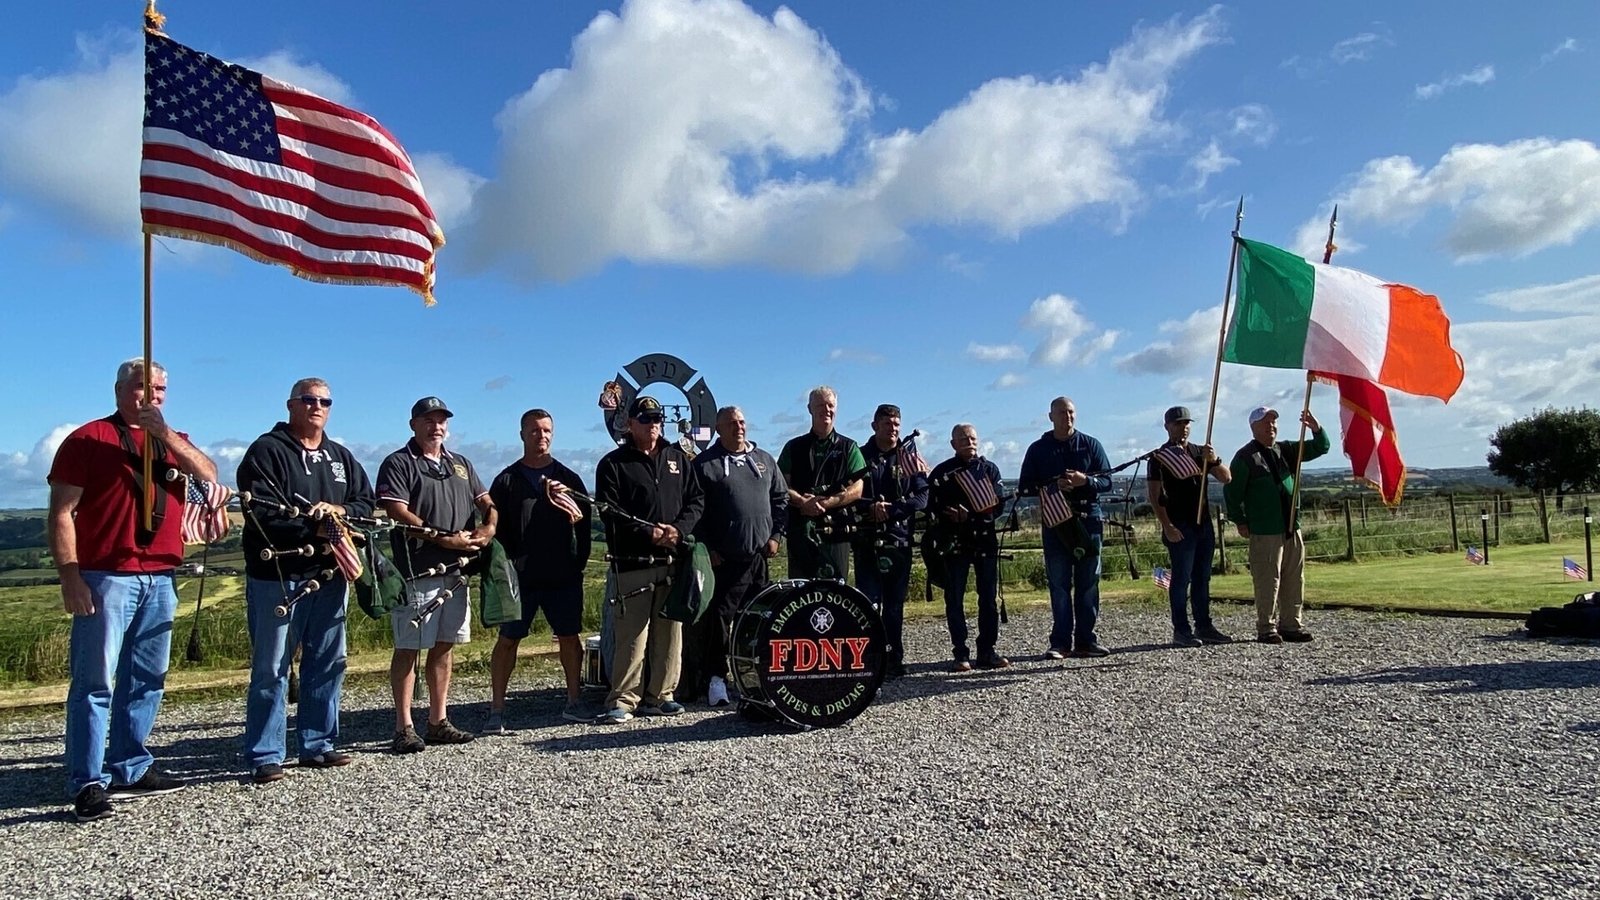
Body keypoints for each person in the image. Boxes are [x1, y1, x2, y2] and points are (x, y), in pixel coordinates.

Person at [48, 358, 217, 822]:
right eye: (143, 387)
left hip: (161, 573)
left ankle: (130, 763)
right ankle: (87, 780)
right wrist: (70, 575)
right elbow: (61, 512)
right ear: (120, 389)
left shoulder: (174, 441)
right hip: (106, 575)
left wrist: (163, 436)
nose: (152, 396)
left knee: (146, 679)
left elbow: (208, 475)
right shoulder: (87, 439)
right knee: (96, 682)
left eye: (160, 389)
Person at [237, 378, 375, 784]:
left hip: (330, 574)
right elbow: (260, 513)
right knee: (271, 668)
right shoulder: (267, 451)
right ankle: (266, 753)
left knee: (329, 662)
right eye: (309, 400)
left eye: (324, 401)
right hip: (278, 576)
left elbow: (365, 503)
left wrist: (337, 510)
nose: (317, 406)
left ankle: (318, 744)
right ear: (291, 405)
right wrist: (312, 526)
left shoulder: (340, 456)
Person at [375, 397, 496, 751]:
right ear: (413, 424)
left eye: (441, 420)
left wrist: (489, 525)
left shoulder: (459, 464)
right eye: (428, 420)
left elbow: (484, 500)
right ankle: (404, 726)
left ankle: (438, 720)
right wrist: (443, 536)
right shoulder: (398, 463)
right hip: (418, 571)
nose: (436, 426)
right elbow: (396, 510)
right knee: (409, 647)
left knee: (445, 647)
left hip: (458, 572)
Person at [593, 396, 704, 724]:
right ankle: (624, 700)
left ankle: (661, 695)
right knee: (632, 635)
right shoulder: (613, 464)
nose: (653, 424)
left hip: (672, 560)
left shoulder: (678, 459)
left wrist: (679, 532)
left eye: (657, 419)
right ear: (630, 424)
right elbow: (609, 512)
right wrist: (648, 532)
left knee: (670, 633)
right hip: (633, 562)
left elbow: (696, 500)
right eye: (646, 419)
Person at [484, 408, 592, 730]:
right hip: (521, 579)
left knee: (570, 638)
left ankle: (574, 701)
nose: (540, 436)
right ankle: (497, 710)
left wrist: (577, 567)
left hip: (562, 576)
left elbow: (583, 530)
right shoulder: (505, 481)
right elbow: (495, 533)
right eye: (534, 431)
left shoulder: (570, 480)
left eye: (546, 431)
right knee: (507, 641)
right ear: (522, 435)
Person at [688, 406, 786, 706]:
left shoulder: (764, 460)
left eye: (742, 422)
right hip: (724, 560)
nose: (739, 427)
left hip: (758, 559)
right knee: (719, 621)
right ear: (719, 429)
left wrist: (776, 536)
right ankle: (716, 679)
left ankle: (755, 677)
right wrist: (708, 548)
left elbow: (780, 499)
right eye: (731, 424)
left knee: (759, 619)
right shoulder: (706, 465)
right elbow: (695, 511)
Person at [1223, 406, 1330, 644]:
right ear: (1254, 427)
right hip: (1265, 529)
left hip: (1292, 526)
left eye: (1273, 421)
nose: (1271, 425)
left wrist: (1316, 428)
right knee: (1267, 580)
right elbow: (1231, 492)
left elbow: (1321, 447)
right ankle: (1266, 627)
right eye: (1265, 422)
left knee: (1294, 577)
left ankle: (1292, 624)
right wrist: (1240, 520)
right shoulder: (1245, 457)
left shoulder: (1286, 450)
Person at [1018, 397, 1113, 659]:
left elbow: (1107, 482)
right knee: (1059, 585)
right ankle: (1060, 642)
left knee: (1088, 583)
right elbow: (1024, 486)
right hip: (1056, 523)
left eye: (1070, 412)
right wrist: (1053, 485)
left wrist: (1086, 481)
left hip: (1088, 522)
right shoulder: (1038, 449)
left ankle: (1086, 640)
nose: (1067, 417)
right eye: (1061, 413)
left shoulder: (1091, 445)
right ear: (1050, 417)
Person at [851, 404, 929, 679]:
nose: (893, 428)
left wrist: (894, 509)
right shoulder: (859, 456)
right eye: (887, 424)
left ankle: (894, 658)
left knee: (895, 607)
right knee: (868, 604)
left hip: (898, 541)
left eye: (897, 424)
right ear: (875, 426)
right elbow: (849, 495)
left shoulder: (908, 458)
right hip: (867, 540)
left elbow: (922, 497)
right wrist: (869, 508)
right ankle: (870, 659)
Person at [1145, 406, 1232, 648]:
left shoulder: (1199, 452)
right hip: (1180, 524)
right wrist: (1167, 526)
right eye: (1177, 424)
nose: (1183, 428)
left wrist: (1213, 460)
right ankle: (1181, 630)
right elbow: (1154, 495)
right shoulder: (1159, 458)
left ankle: (1204, 626)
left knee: (1202, 578)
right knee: (1181, 579)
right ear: (1167, 426)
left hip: (1203, 522)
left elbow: (1226, 478)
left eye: (1186, 424)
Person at [927, 424, 1009, 672]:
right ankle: (960, 653)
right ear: (953, 444)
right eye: (963, 439)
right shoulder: (942, 473)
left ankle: (987, 651)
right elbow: (931, 507)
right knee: (954, 600)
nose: (969, 442)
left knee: (988, 600)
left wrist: (971, 516)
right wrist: (949, 517)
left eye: (972, 438)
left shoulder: (989, 470)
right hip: (955, 545)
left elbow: (998, 506)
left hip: (984, 541)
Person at [778, 386, 867, 581]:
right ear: (809, 409)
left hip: (837, 533)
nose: (826, 410)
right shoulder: (793, 447)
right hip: (801, 533)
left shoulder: (849, 447)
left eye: (830, 405)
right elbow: (780, 485)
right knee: (801, 595)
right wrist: (802, 502)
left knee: (837, 595)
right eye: (820, 405)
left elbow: (858, 488)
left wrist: (828, 503)